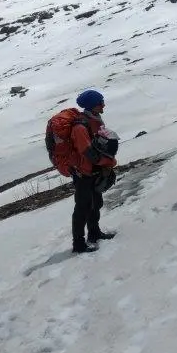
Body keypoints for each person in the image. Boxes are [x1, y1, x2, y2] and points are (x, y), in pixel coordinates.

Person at [69, 90, 118, 253]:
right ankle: (78, 244)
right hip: (83, 172)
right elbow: (87, 151)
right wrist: (107, 161)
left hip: (94, 171)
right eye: (100, 102)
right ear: (92, 105)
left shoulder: (95, 120)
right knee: (82, 207)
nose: (103, 105)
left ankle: (94, 233)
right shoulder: (80, 127)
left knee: (95, 204)